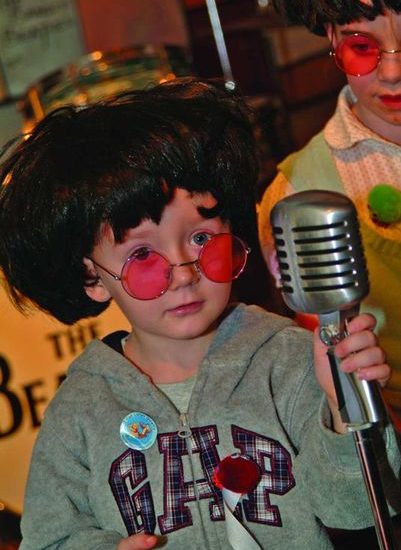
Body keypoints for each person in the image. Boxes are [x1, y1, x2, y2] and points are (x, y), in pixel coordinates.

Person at [0, 77, 399, 549]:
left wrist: (343, 408)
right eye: (143, 257)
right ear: (93, 277)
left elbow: (356, 509)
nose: (184, 273)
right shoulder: (81, 407)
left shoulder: (287, 360)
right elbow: (49, 539)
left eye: (202, 239)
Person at [258, 0, 401, 414]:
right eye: (362, 48)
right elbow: (327, 364)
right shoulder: (297, 193)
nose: (391, 74)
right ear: (332, 38)